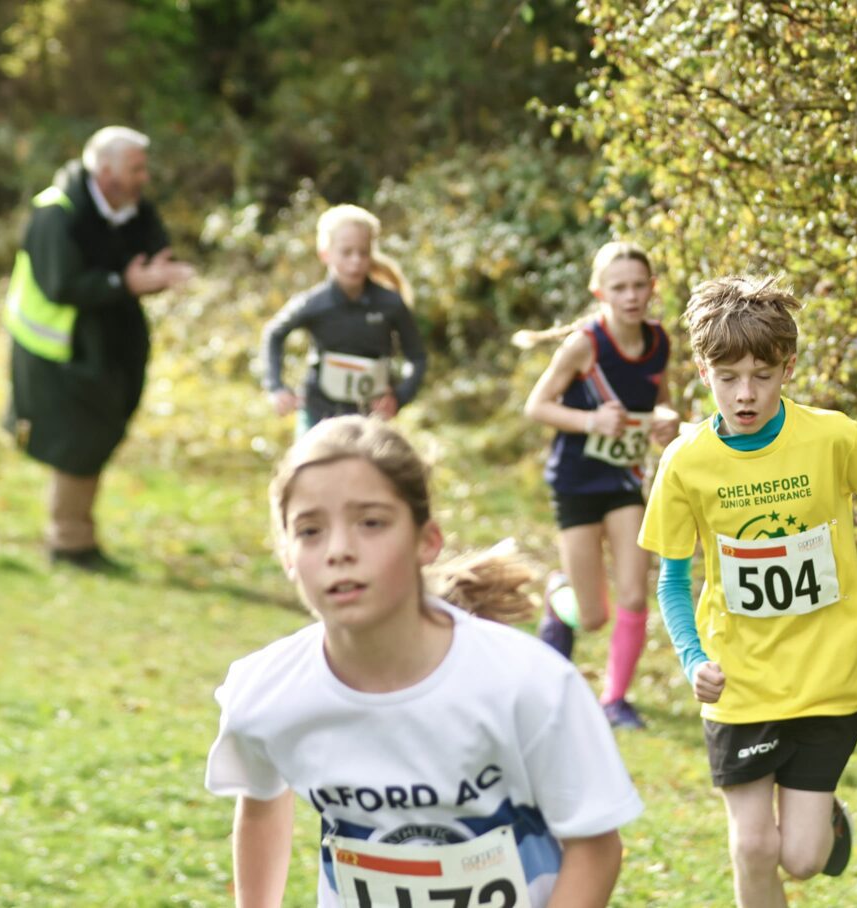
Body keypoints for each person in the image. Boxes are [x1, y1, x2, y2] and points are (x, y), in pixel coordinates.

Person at [204, 416, 643, 908]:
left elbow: (595, 846)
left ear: (426, 540)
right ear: (287, 555)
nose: (339, 551)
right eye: (310, 530)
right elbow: (261, 803)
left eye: (371, 523)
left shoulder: (530, 685)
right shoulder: (265, 692)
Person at [638, 274, 857, 906]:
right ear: (703, 372)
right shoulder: (686, 461)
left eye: (762, 375)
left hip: (826, 678)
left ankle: (823, 818)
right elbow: (672, 579)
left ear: (788, 368)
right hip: (740, 679)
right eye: (728, 377)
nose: (745, 394)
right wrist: (693, 659)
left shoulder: (832, 438)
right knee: (753, 847)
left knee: (803, 860)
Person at [4, 125, 194, 571]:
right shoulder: (56, 214)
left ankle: (78, 538)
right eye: (136, 169)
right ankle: (70, 544)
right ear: (106, 171)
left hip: (108, 346)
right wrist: (123, 282)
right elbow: (61, 284)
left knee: (95, 439)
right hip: (58, 352)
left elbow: (153, 244)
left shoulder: (130, 206)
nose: (144, 177)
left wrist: (155, 272)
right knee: (77, 445)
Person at [518, 241, 681, 730]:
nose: (630, 296)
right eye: (619, 287)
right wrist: (591, 422)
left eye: (639, 286)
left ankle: (615, 700)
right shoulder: (585, 344)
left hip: (623, 481)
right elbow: (537, 406)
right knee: (591, 616)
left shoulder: (659, 341)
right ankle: (558, 595)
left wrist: (667, 419)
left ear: (652, 288)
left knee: (633, 594)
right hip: (576, 482)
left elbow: (662, 402)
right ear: (600, 292)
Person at [260, 204, 427, 435]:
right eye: (346, 252)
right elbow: (274, 333)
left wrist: (399, 396)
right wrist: (276, 388)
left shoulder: (391, 303)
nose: (356, 261)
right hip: (318, 416)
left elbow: (417, 357)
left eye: (363, 252)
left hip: (371, 421)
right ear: (325, 254)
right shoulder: (313, 303)